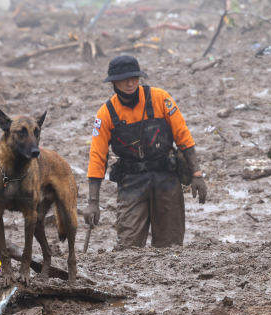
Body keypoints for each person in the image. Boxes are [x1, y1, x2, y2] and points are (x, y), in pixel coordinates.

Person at [84, 55, 207, 250]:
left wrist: (197, 173)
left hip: (166, 179)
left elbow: (183, 136)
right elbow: (97, 157)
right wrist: (93, 202)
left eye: (134, 77)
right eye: (124, 79)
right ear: (113, 82)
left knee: (171, 246)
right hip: (131, 184)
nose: (130, 83)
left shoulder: (160, 98)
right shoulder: (105, 113)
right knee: (127, 248)